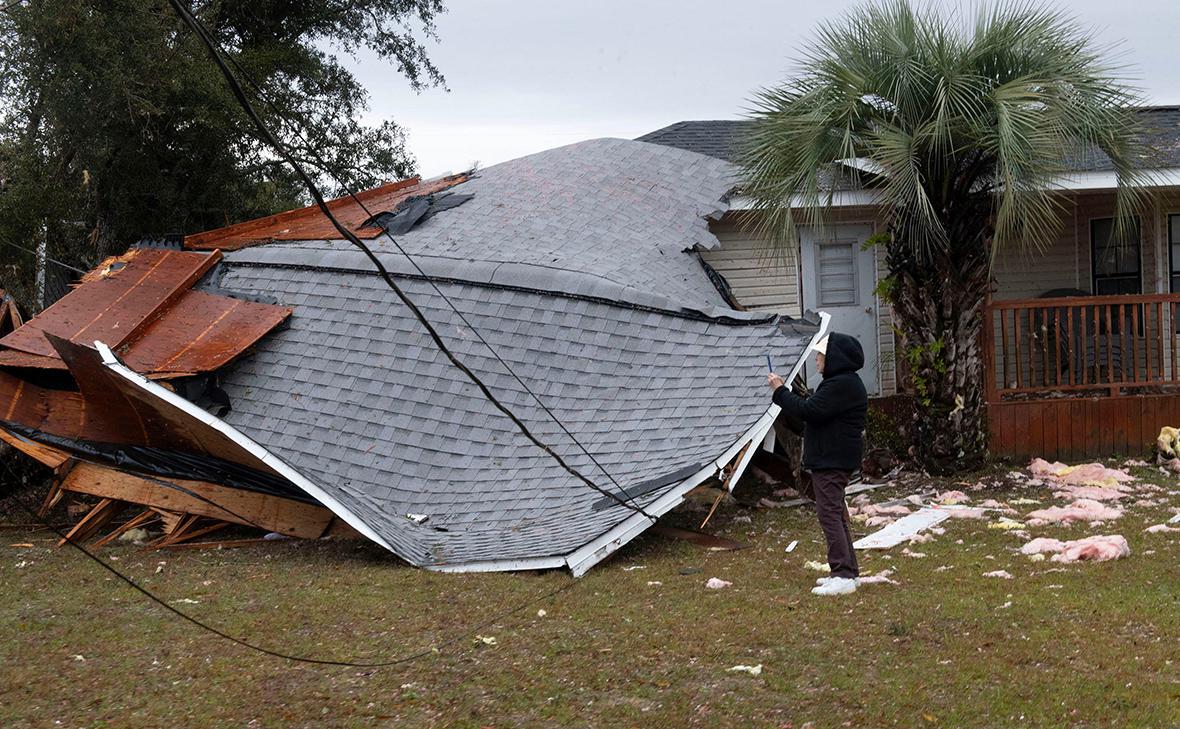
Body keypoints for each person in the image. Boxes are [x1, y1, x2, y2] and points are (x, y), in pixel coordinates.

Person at [766, 332, 867, 596]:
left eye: (821, 355)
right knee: (835, 514)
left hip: (832, 460)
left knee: (829, 515)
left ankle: (842, 574)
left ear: (835, 357)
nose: (817, 359)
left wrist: (779, 391)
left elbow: (809, 410)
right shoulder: (840, 383)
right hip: (832, 458)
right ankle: (849, 572)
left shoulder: (841, 385)